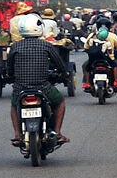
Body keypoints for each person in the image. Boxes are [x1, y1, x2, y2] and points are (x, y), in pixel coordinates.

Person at [5, 14, 69, 146]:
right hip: (44, 88)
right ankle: (57, 132)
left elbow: (9, 69)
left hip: (20, 89)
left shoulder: (15, 47)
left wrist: (11, 77)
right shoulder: (47, 46)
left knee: (14, 105)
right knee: (60, 102)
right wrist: (64, 74)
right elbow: (60, 66)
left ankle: (17, 135)